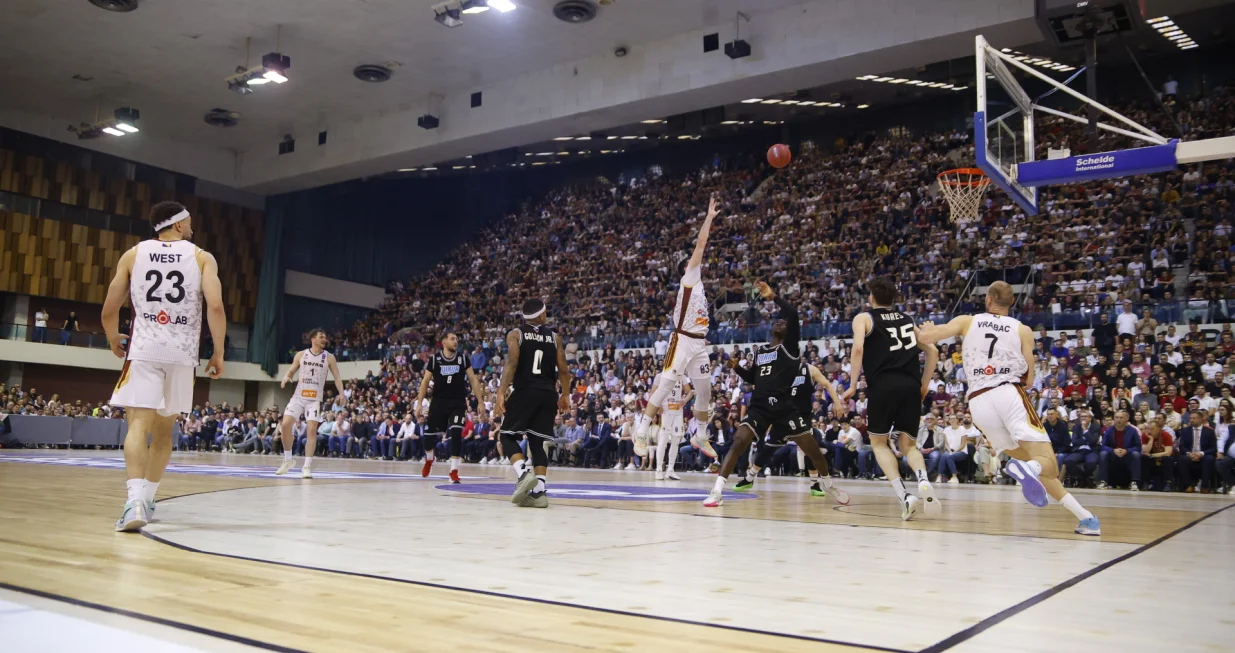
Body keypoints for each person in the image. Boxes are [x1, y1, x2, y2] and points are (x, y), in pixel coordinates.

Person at [917, 281, 1100, 535]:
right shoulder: (1022, 330)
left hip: (978, 403)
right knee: (1048, 463)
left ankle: (1086, 519)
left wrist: (927, 328)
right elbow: (1029, 379)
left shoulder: (967, 321)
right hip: (1008, 394)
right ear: (1012, 302)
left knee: (1036, 464)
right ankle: (1030, 470)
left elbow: (925, 339)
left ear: (988, 299)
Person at [102, 201, 226, 532]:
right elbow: (215, 305)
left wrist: (112, 336)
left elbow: (110, 307)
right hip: (182, 353)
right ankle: (148, 498)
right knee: (162, 432)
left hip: (144, 349)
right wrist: (219, 352)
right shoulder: (202, 257)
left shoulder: (133, 255)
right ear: (179, 225)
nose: (192, 227)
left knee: (137, 426)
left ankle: (134, 502)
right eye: (189, 221)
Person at [704, 282, 844, 507]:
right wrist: (737, 368)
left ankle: (827, 483)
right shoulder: (761, 351)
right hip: (760, 406)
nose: (780, 322)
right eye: (777, 321)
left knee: (811, 449)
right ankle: (717, 491)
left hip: (784, 407)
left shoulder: (790, 348)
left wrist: (773, 296)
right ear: (771, 329)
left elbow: (792, 313)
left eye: (783, 322)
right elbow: (753, 379)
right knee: (739, 441)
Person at [844, 277, 941, 520]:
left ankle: (904, 495)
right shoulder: (908, 320)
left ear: (871, 298)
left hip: (883, 386)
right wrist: (924, 386)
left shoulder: (864, 318)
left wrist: (853, 384)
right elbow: (933, 351)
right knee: (909, 446)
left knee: (879, 443)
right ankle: (922, 480)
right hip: (911, 386)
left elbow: (858, 349)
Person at [635, 197, 719, 462]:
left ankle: (700, 435)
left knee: (705, 391)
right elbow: (701, 244)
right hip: (682, 341)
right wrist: (709, 218)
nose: (699, 261)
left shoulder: (700, 288)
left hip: (698, 342)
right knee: (666, 384)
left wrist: (702, 338)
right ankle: (641, 431)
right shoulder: (690, 276)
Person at [494, 299, 571, 508]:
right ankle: (539, 493)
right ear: (542, 315)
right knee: (537, 443)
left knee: (506, 435)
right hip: (548, 394)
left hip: (525, 391)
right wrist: (565, 394)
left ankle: (523, 474)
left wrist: (501, 392)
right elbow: (563, 368)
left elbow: (512, 363)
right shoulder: (555, 338)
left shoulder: (515, 335)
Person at [416, 332, 489, 483]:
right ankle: (430, 459)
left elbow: (473, 380)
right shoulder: (435, 360)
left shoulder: (462, 358)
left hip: (457, 402)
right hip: (438, 402)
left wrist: (480, 402)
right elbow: (425, 382)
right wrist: (419, 403)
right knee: (428, 437)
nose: (456, 341)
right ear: (444, 342)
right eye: (452, 339)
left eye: (456, 339)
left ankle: (454, 471)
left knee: (456, 432)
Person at [276, 328, 345, 478]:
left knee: (312, 430)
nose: (324, 339)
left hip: (314, 399)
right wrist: (286, 377)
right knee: (285, 425)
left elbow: (337, 377)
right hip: (298, 397)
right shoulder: (301, 354)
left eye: (325, 337)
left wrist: (341, 393)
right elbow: (291, 370)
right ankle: (288, 460)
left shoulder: (329, 357)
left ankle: (306, 467)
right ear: (313, 339)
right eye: (321, 337)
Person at [649, 372, 691, 480]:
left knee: (676, 441)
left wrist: (685, 400)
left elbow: (690, 392)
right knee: (663, 441)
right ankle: (659, 470)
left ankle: (670, 470)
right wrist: (658, 405)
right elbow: (652, 393)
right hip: (666, 410)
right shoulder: (660, 376)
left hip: (678, 411)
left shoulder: (681, 376)